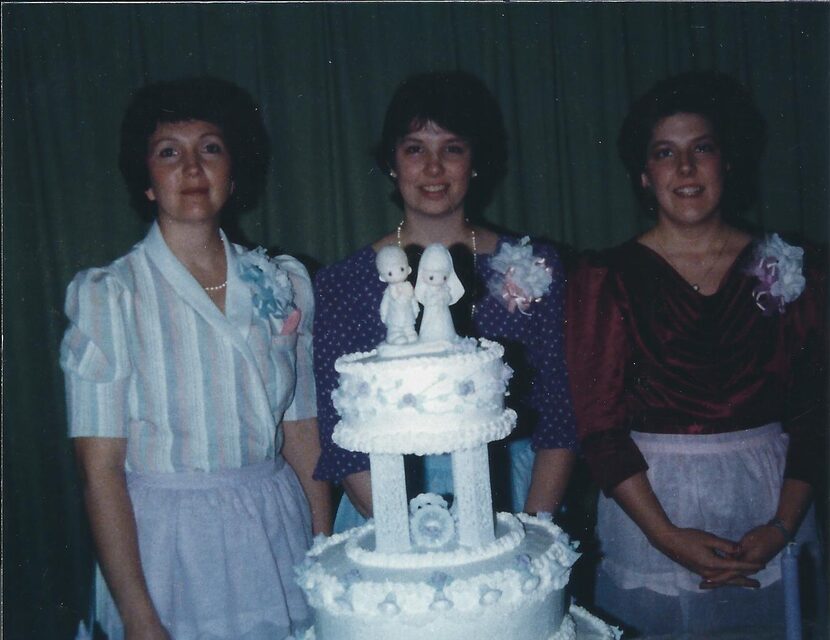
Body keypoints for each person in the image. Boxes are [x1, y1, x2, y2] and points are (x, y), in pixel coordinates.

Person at [60, 76, 332, 640]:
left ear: (233, 174)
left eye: (210, 148)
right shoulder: (111, 296)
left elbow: (302, 431)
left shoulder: (284, 285)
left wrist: (323, 556)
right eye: (168, 152)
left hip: (275, 531)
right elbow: (100, 471)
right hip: (167, 549)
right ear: (147, 182)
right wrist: (139, 616)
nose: (191, 167)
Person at [566, 70, 827, 635]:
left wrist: (780, 529)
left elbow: (815, 411)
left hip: (772, 504)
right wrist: (665, 538)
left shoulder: (790, 265)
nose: (685, 169)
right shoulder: (606, 276)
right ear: (643, 173)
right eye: (665, 153)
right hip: (652, 510)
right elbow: (600, 427)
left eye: (701, 148)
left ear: (727, 163)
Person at [312, 71, 578, 533]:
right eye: (415, 148)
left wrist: (532, 530)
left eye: (452, 148)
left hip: (512, 492)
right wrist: (406, 532)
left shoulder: (534, 267)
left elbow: (560, 413)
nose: (433, 168)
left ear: (475, 161)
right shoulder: (343, 282)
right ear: (392, 162)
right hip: (387, 498)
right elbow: (341, 435)